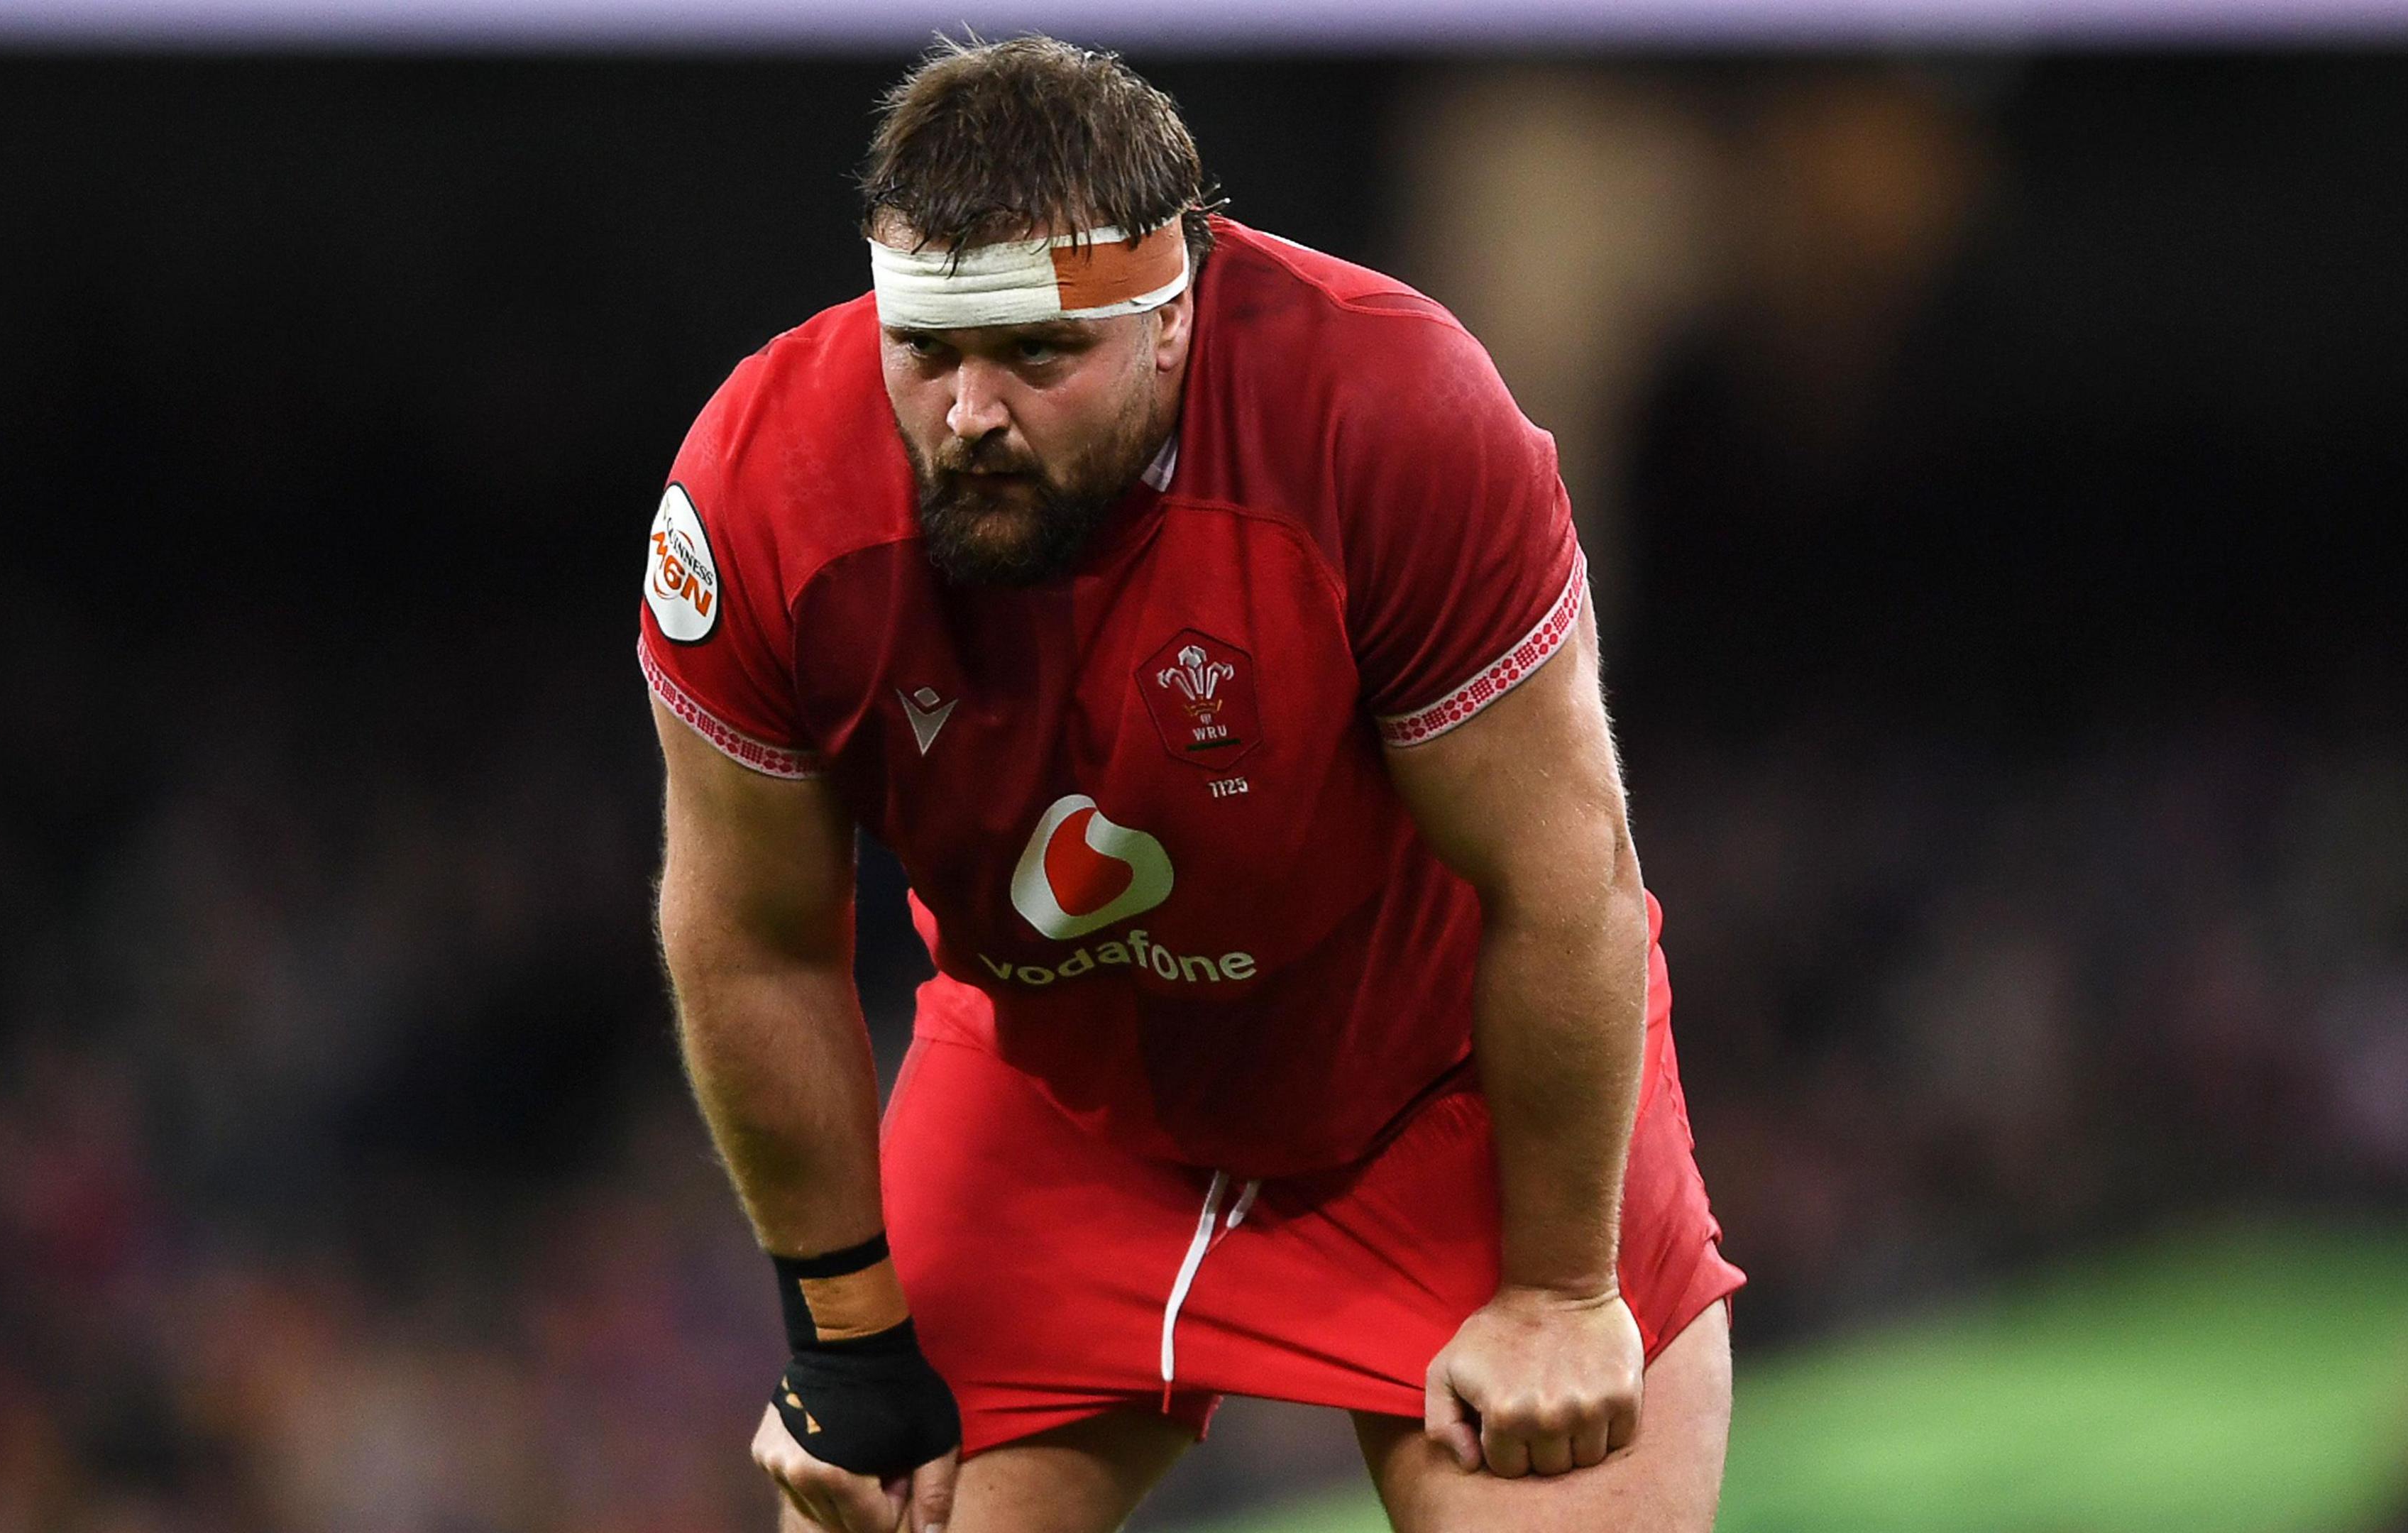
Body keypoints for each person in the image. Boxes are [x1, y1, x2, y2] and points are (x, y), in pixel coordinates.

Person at [643, 36, 1744, 1533]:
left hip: (1440, 1087)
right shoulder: (761, 491)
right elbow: (754, 939)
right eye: (929, 352)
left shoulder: (1390, 412)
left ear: (1175, 320)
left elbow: (1564, 885)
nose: (971, 413)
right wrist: (844, 1337)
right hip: (1055, 1098)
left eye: (1038, 354)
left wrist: (1557, 1289)